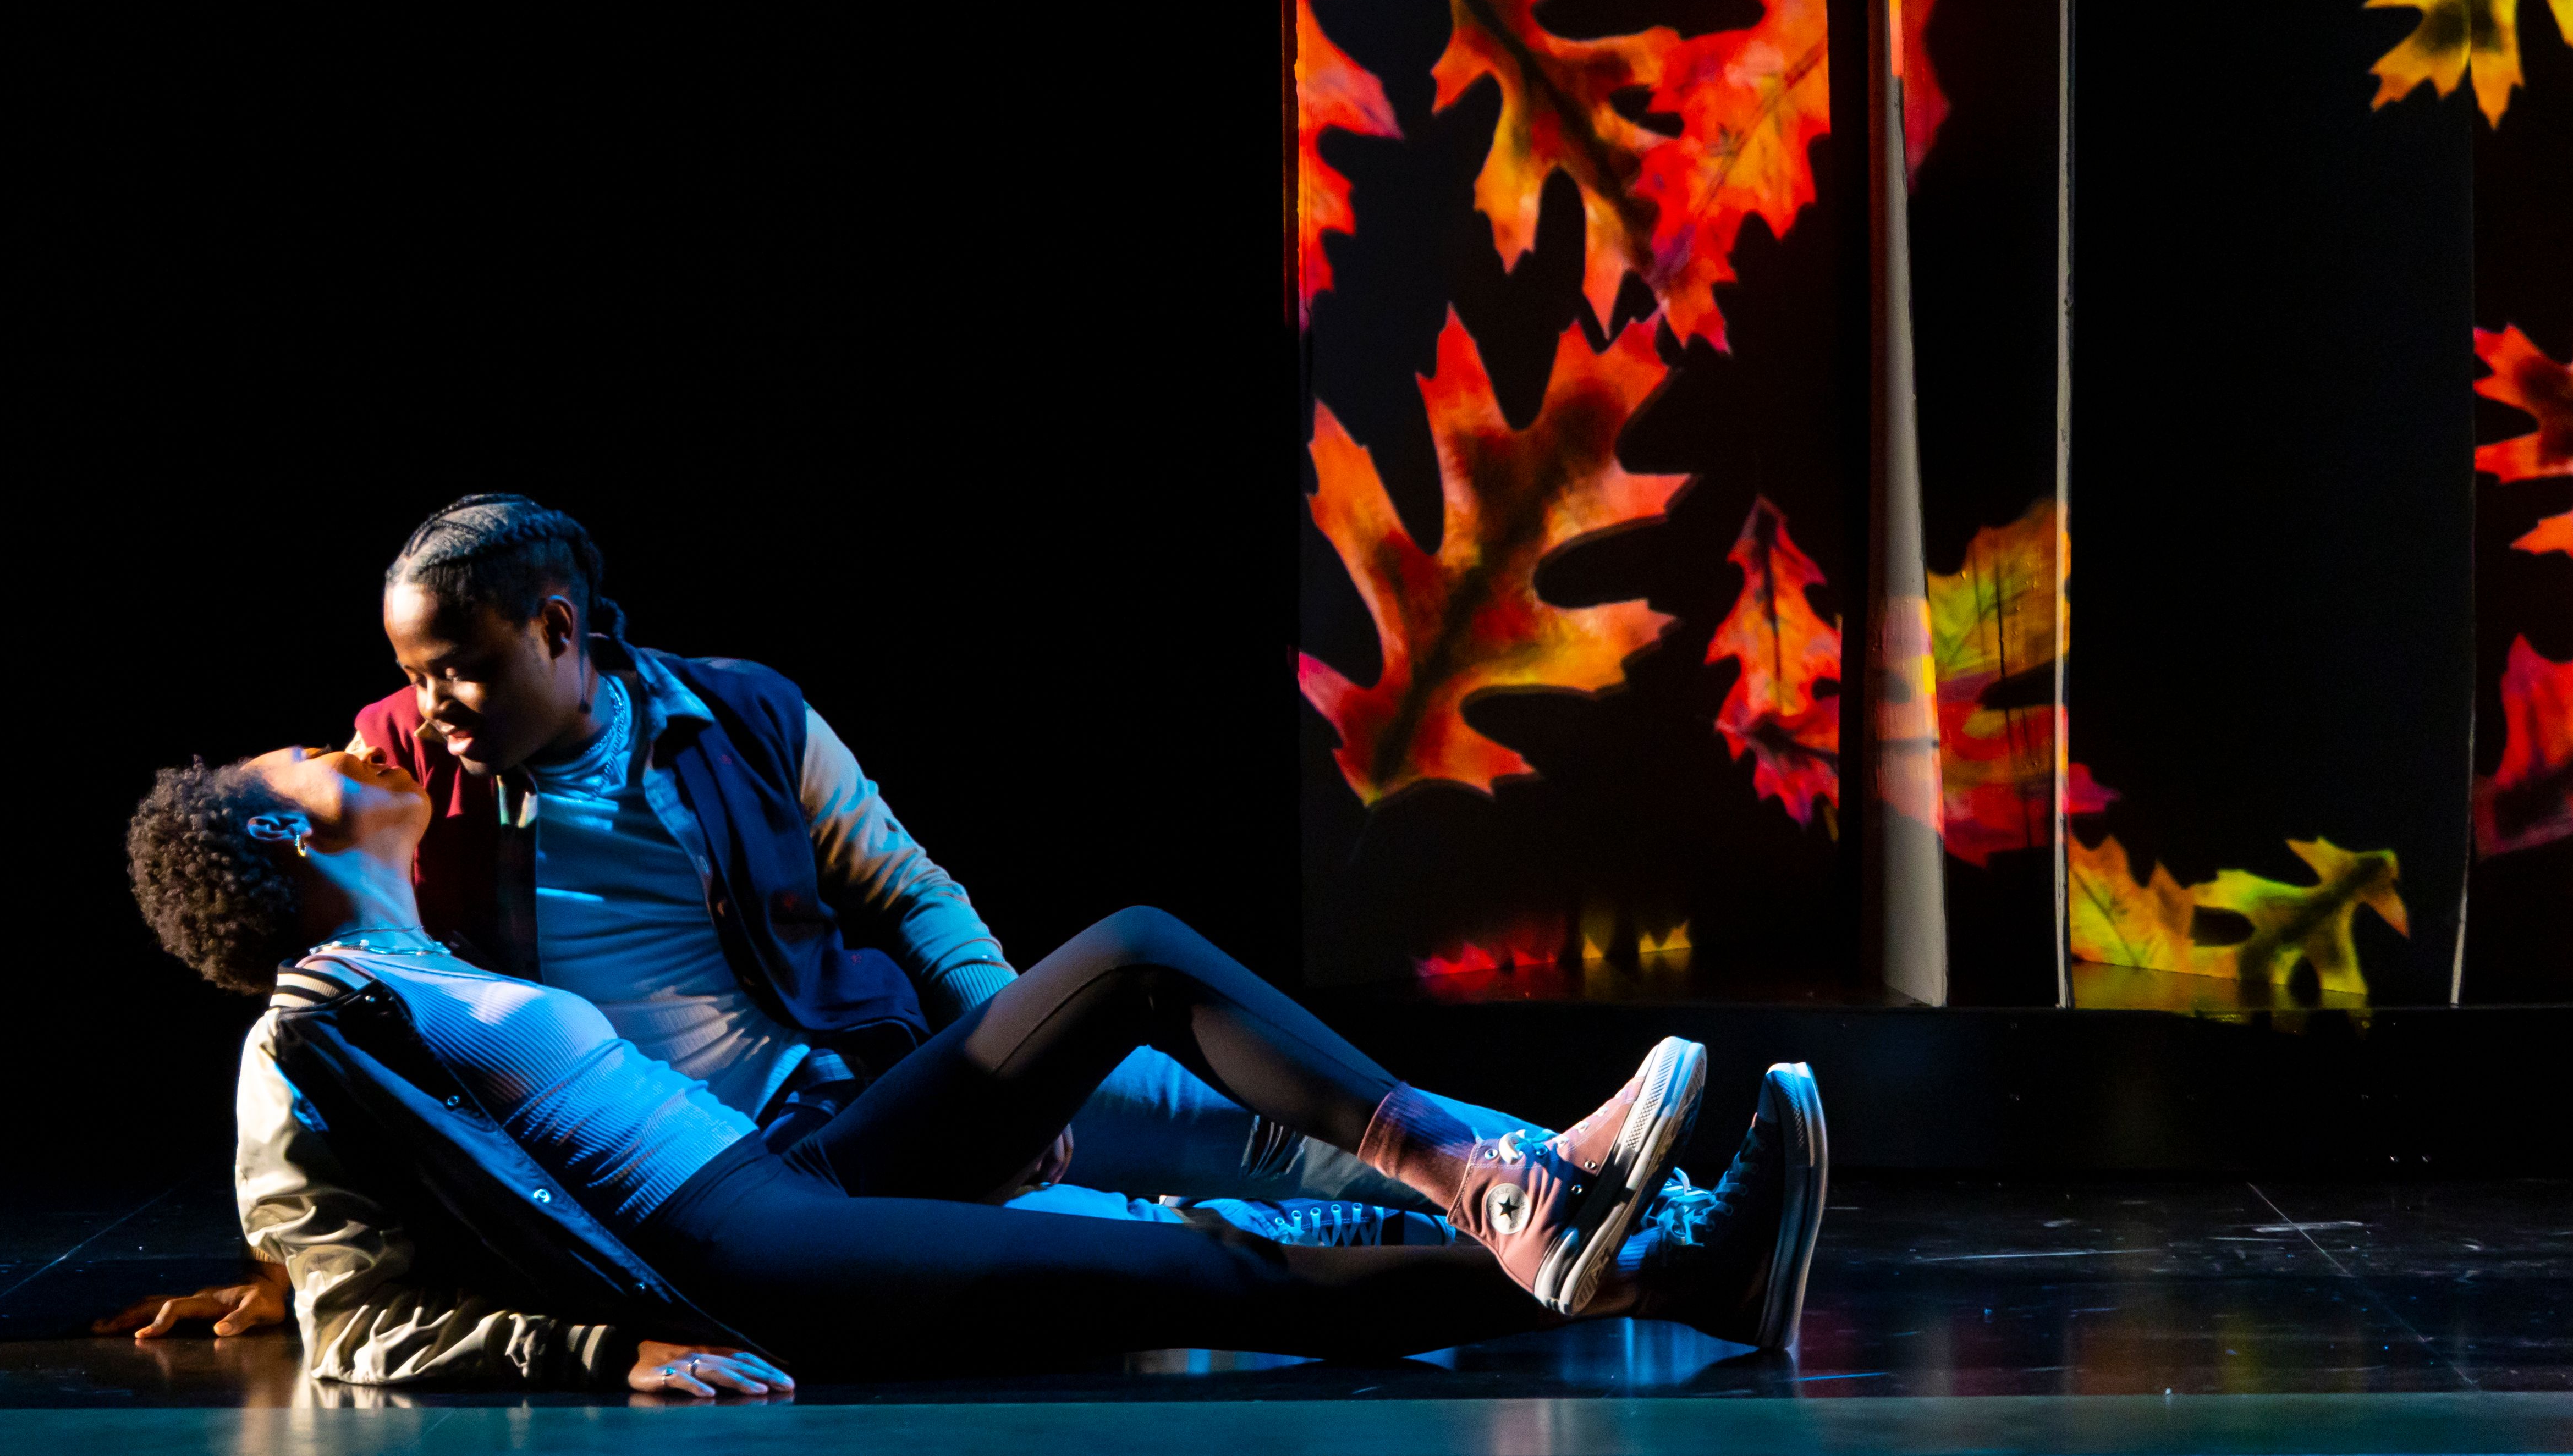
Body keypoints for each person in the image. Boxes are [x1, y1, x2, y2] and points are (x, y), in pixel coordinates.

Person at [104, 492, 1559, 1354]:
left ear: (559, 629)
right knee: (1195, 1245)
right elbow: (322, 1029)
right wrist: (300, 1265)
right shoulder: (399, 773)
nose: (423, 711)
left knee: (1255, 1122)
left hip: (862, 1083)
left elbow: (907, 890)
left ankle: (1569, 1176)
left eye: (460, 670)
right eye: (412, 677)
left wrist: (1018, 1057)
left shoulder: (741, 715)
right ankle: (1579, 1250)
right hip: (742, 1186)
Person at [119, 741, 1829, 1389]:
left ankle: (1497, 1179)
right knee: (1206, 1272)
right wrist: (607, 1352)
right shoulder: (311, 1039)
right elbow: (364, 1320)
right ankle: (1686, 1266)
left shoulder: (421, 961)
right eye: (311, 760)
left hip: (792, 1178)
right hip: (752, 1262)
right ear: (285, 839)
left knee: (1132, 952)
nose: (350, 743)